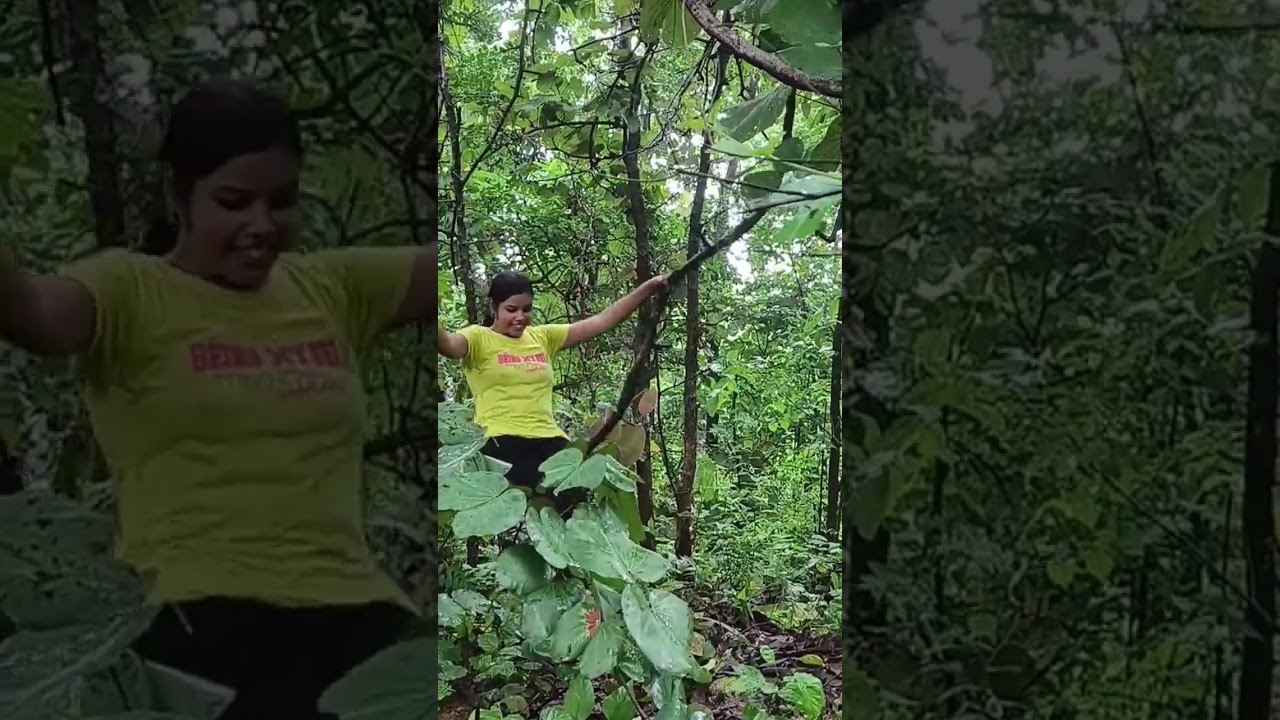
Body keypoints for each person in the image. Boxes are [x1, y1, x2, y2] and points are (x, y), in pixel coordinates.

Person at [0, 77, 434, 718]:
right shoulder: (129, 290)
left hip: (359, 620)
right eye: (234, 202)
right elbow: (35, 314)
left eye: (280, 202)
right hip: (195, 624)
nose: (261, 226)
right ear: (182, 196)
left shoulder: (330, 286)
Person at [437, 269, 667, 515]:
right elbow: (448, 345)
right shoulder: (478, 337)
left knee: (571, 517)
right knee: (528, 520)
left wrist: (647, 289)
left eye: (527, 310)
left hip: (551, 442)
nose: (520, 317)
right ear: (495, 308)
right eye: (511, 310)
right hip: (501, 443)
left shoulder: (543, 337)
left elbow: (602, 320)